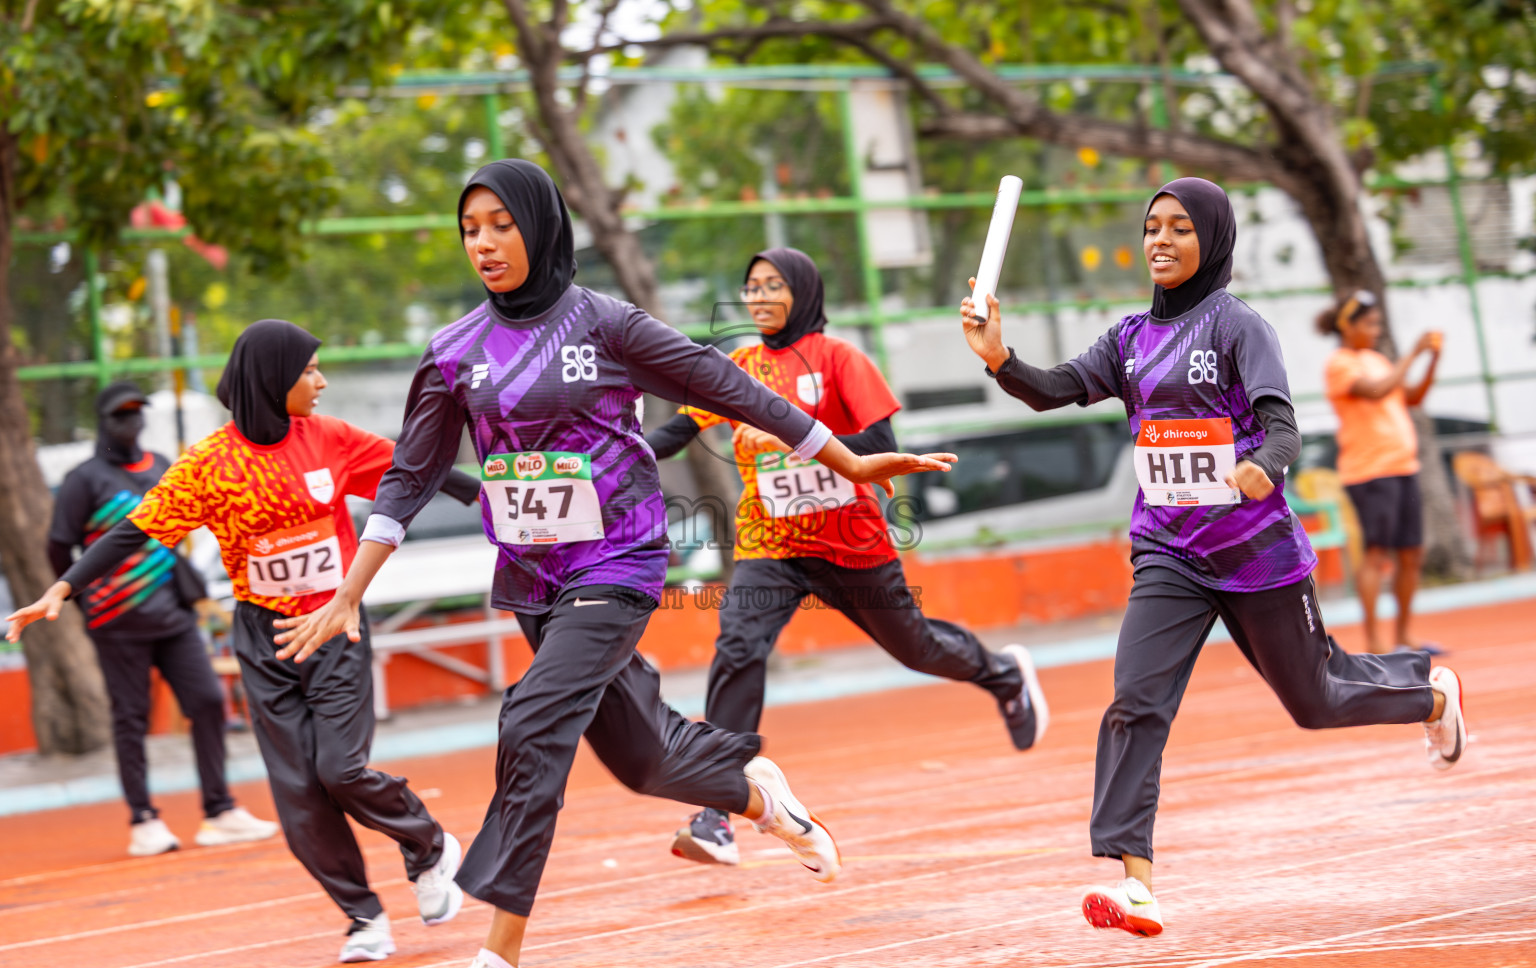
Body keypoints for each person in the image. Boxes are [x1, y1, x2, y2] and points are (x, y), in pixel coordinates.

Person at [269, 159, 956, 968]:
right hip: (534, 576)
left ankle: (500, 950)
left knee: (531, 720)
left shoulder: (606, 323)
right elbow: (410, 476)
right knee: (643, 761)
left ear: (543, 226)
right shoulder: (455, 351)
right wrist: (352, 591)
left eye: (501, 224)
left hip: (619, 560)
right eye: (469, 230)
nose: (483, 244)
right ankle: (757, 795)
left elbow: (736, 392)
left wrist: (851, 462)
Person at [958, 177, 1468, 938]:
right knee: (1136, 698)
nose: (1160, 240)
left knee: (1316, 700)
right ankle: (1135, 884)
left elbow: (1283, 429)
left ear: (1214, 242)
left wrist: (1264, 465)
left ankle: (1428, 694)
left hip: (1257, 555)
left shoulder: (1238, 327)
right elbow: (1055, 389)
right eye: (1152, 226)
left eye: (1180, 229)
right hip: (1169, 551)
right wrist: (1000, 358)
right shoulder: (1129, 339)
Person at [10, 322, 483, 963]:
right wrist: (63, 589)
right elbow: (133, 532)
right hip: (264, 638)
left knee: (339, 769)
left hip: (334, 624)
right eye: (309, 371)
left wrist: (507, 506)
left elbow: (419, 471)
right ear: (271, 379)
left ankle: (428, 846)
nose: (321, 382)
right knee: (296, 793)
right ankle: (363, 917)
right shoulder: (210, 465)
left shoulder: (332, 439)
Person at [646, 246, 1049, 868]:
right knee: (737, 647)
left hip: (850, 543)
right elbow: (674, 434)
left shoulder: (839, 360)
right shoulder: (739, 366)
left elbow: (880, 442)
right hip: (771, 542)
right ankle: (717, 810)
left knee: (916, 648)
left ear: (803, 291)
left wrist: (792, 433)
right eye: (750, 287)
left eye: (773, 285)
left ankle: (1002, 674)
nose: (758, 298)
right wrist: (614, 457)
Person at [47, 381, 278, 857]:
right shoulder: (83, 479)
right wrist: (85, 599)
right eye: (119, 416)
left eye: (136, 414)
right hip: (116, 622)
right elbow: (58, 544)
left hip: (173, 615)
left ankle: (219, 810)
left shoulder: (159, 466)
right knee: (130, 719)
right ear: (103, 422)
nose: (129, 424)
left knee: (209, 702)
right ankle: (143, 820)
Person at [1317, 291, 1443, 653]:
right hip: (1370, 472)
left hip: (1403, 466)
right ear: (1347, 326)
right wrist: (1414, 353)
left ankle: (1404, 636)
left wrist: (1432, 360)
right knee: (1377, 553)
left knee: (1412, 553)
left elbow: (1412, 396)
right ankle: (1375, 642)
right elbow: (1377, 391)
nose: (1375, 330)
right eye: (1369, 324)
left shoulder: (1377, 359)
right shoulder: (1340, 363)